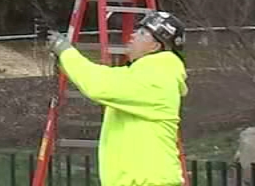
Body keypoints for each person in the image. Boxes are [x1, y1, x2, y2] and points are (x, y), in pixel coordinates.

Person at [47, 10, 188, 186]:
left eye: (143, 33)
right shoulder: (147, 74)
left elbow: (99, 85)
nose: (133, 35)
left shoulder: (156, 78)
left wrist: (66, 52)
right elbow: (100, 75)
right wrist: (64, 58)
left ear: (156, 46)